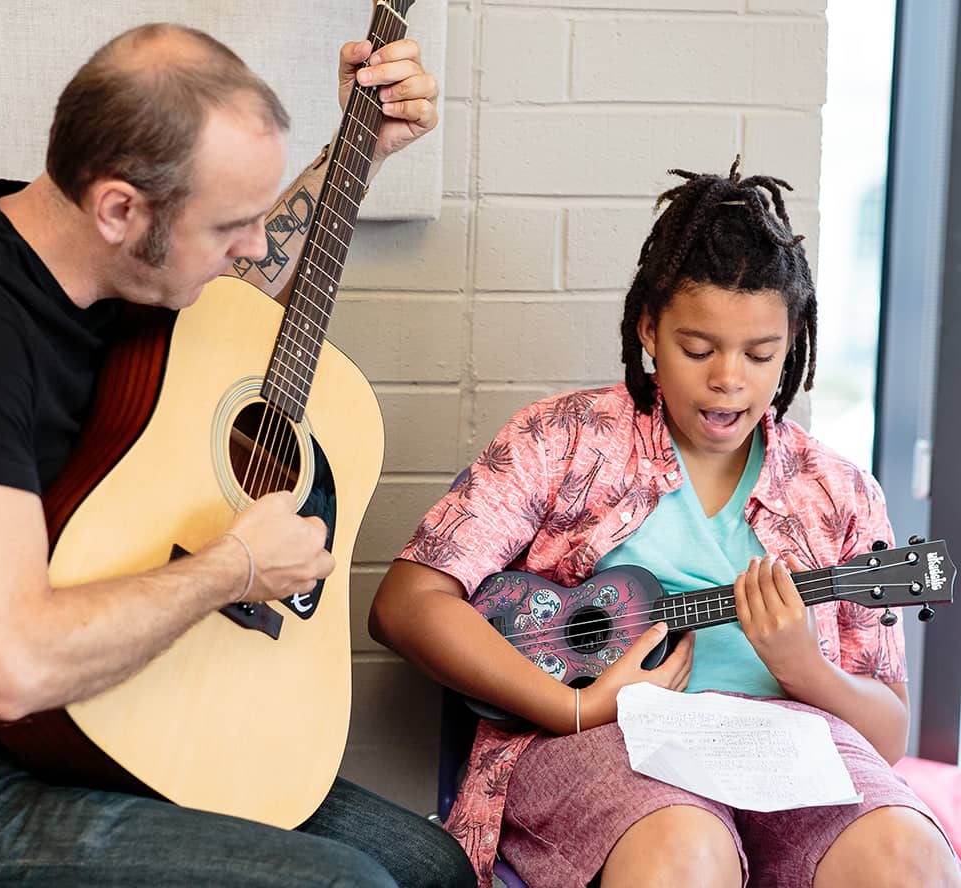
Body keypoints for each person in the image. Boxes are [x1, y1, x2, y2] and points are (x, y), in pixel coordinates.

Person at [0, 21, 475, 888]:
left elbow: (232, 298)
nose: (249, 243)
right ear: (120, 208)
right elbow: (10, 671)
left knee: (429, 867)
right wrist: (232, 568)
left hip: (108, 709)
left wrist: (359, 150)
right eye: (229, 223)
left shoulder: (108, 264)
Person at [370, 159, 961, 887]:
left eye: (760, 354)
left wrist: (804, 667)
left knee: (909, 860)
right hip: (603, 741)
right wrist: (575, 705)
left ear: (792, 344)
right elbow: (407, 604)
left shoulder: (838, 491)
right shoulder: (563, 438)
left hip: (791, 749)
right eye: (698, 348)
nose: (729, 379)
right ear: (649, 328)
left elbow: (889, 737)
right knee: (684, 852)